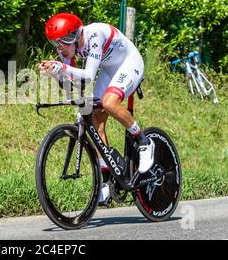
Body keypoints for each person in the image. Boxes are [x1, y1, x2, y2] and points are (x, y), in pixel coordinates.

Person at [38, 12, 155, 205]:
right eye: (55, 43)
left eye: (63, 42)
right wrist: (55, 75)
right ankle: (106, 182)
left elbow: (89, 76)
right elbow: (74, 85)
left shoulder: (95, 36)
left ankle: (144, 142)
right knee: (94, 119)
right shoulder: (66, 48)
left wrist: (62, 68)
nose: (60, 47)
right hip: (110, 69)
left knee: (109, 103)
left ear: (76, 36)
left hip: (130, 63)